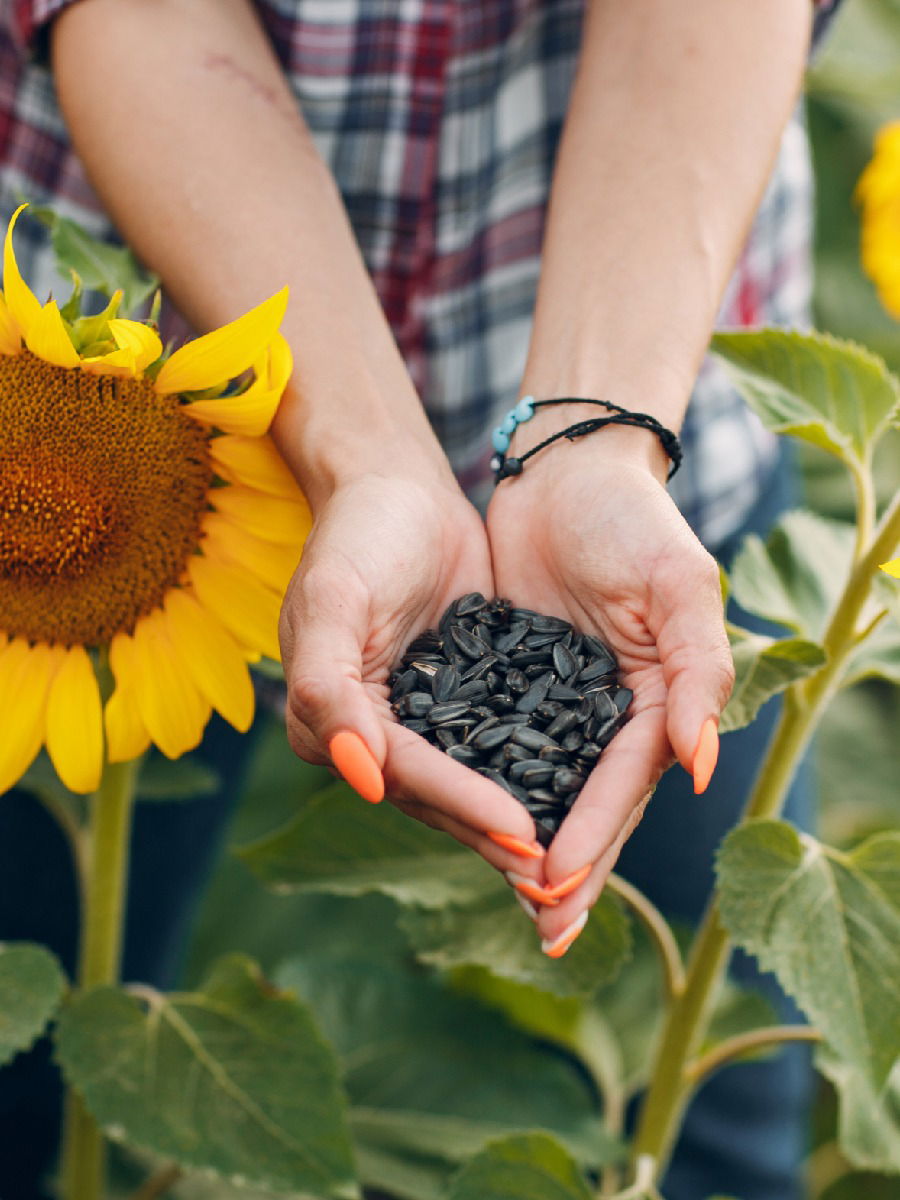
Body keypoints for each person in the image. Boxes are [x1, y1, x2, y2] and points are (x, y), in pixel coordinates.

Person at [0, 1, 842, 1197]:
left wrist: (598, 446)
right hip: (111, 393)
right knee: (18, 1075)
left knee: (715, 1113)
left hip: (657, 353)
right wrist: (367, 456)